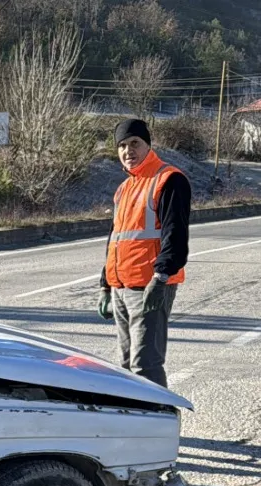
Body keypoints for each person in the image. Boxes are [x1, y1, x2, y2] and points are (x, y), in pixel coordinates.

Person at [98, 118, 190, 390]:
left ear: (148, 144)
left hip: (149, 286)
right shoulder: (124, 188)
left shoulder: (169, 180)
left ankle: (161, 426)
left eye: (135, 143)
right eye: (122, 146)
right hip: (121, 288)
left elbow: (175, 235)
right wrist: (105, 284)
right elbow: (115, 239)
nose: (128, 151)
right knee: (125, 366)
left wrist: (161, 278)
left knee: (145, 364)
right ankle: (134, 427)